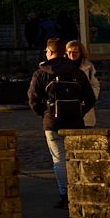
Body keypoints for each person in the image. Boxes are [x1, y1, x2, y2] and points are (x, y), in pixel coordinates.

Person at [27, 38, 96, 199]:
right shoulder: (76, 71)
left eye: (46, 51)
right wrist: (80, 111)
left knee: (59, 160)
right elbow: (90, 98)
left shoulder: (41, 73)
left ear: (50, 52)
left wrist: (44, 113)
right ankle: (79, 191)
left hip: (52, 122)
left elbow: (33, 99)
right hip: (75, 121)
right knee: (75, 157)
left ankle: (65, 194)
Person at [64, 39, 101, 126]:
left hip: (84, 104)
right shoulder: (63, 66)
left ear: (81, 53)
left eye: (75, 52)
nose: (72, 55)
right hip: (67, 104)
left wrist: (91, 97)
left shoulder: (88, 66)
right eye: (69, 52)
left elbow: (95, 84)